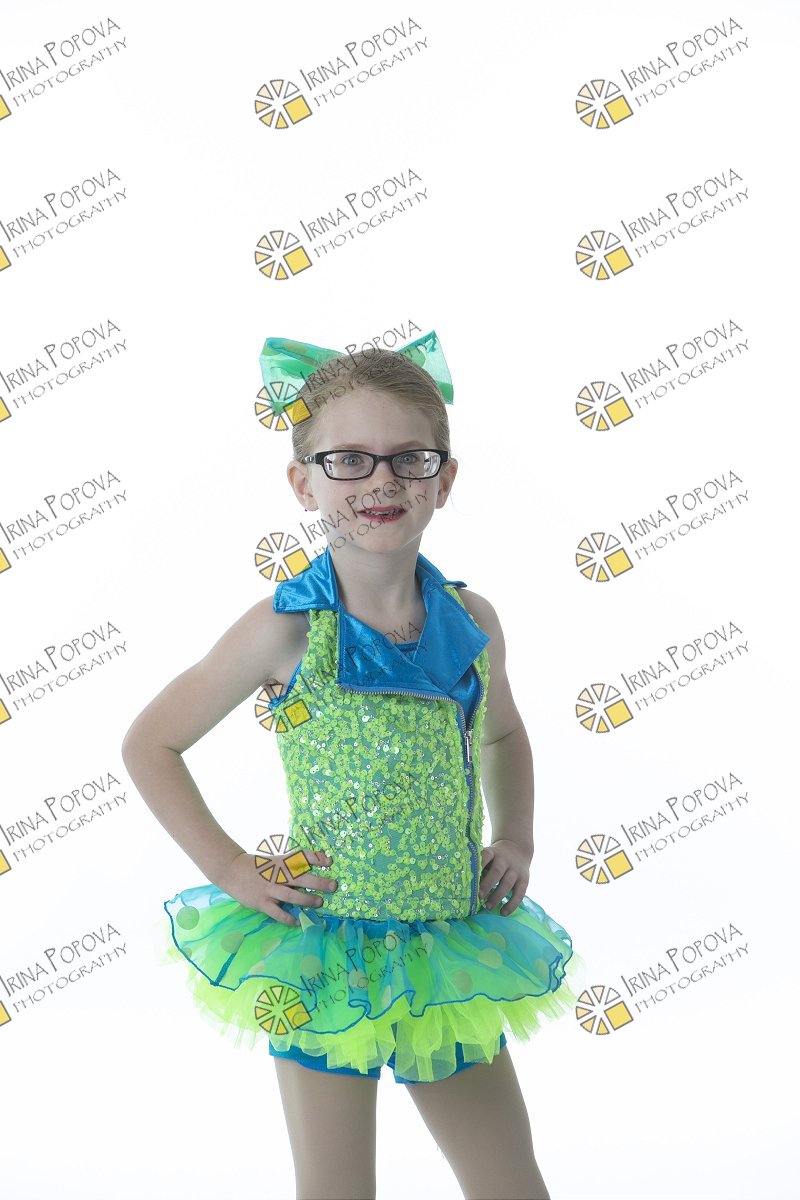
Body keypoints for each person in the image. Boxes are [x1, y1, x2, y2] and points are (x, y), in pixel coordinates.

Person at [121, 330, 584, 1200]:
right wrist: (230, 868)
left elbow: (503, 735)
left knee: (510, 1180)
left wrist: (517, 835)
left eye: (410, 459)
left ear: (445, 479)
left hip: (448, 947)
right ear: (305, 483)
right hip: (323, 950)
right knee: (336, 1188)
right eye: (349, 461)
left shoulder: (474, 619)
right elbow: (152, 742)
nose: (382, 481)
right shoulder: (287, 628)